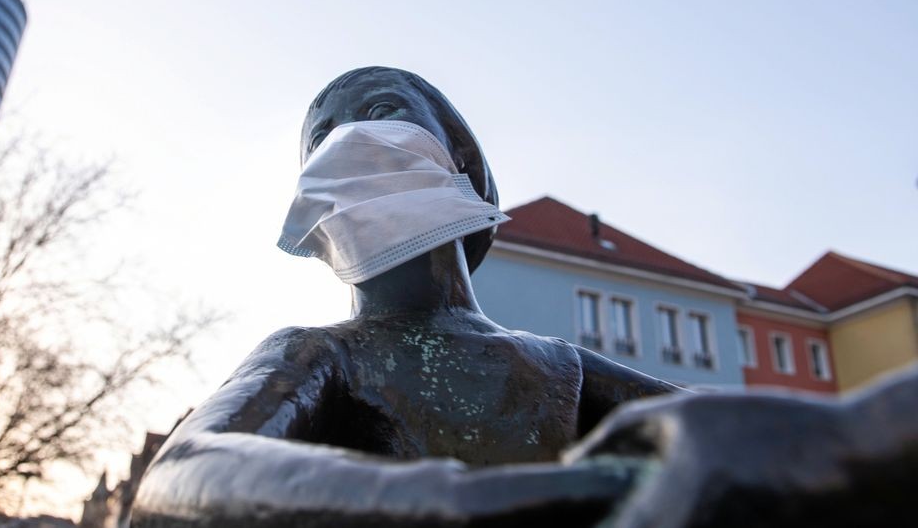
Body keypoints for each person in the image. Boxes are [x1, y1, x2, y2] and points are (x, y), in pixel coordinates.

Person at [131, 67, 680, 527]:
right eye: (322, 141)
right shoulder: (317, 354)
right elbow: (180, 475)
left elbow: (724, 427)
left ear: (460, 157)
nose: (349, 140)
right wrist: (459, 501)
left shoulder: (558, 364)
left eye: (383, 110)